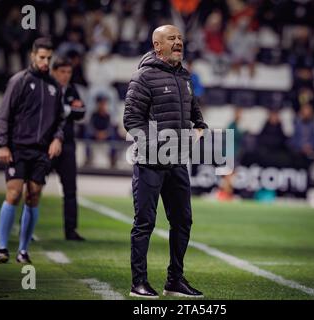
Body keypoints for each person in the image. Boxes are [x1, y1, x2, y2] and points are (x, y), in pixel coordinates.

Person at [123, 25, 207, 298]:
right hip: (150, 161)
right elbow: (132, 122)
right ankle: (139, 282)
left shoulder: (184, 76)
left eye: (180, 37)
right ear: (157, 46)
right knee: (145, 221)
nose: (179, 42)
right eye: (172, 38)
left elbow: (194, 110)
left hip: (178, 161)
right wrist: (159, 144)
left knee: (183, 221)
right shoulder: (143, 77)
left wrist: (200, 126)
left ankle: (175, 280)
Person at [0, 38, 65, 264]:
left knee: (33, 196)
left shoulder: (54, 86)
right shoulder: (19, 81)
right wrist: (3, 144)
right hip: (17, 148)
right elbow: (4, 114)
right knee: (14, 194)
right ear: (32, 56)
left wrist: (57, 138)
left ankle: (23, 251)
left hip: (41, 152)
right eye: (42, 57)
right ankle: (2, 247)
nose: (45, 62)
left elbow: (60, 120)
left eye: (48, 58)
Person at [50, 57, 86, 241]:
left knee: (70, 190)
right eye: (62, 71)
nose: (65, 76)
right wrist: (67, 109)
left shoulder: (72, 90)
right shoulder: (46, 87)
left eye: (68, 72)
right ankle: (28, 230)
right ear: (54, 71)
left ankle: (70, 231)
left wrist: (64, 110)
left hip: (68, 145)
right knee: (34, 187)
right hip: (46, 145)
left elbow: (82, 112)